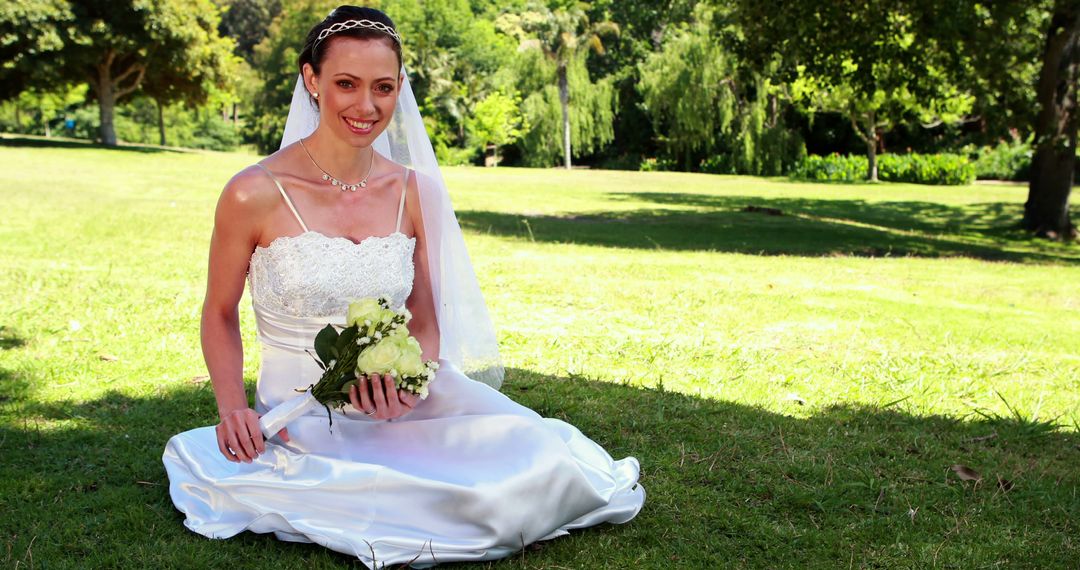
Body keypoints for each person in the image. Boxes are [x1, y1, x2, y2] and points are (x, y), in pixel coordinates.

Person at [162, 6, 644, 567]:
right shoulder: (252, 193)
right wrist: (232, 410)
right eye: (346, 84)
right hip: (301, 414)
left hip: (402, 400)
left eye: (383, 87)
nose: (366, 106)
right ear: (311, 80)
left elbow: (424, 317)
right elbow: (219, 311)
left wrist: (411, 385)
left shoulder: (416, 191)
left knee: (540, 459)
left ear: (399, 91)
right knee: (451, 499)